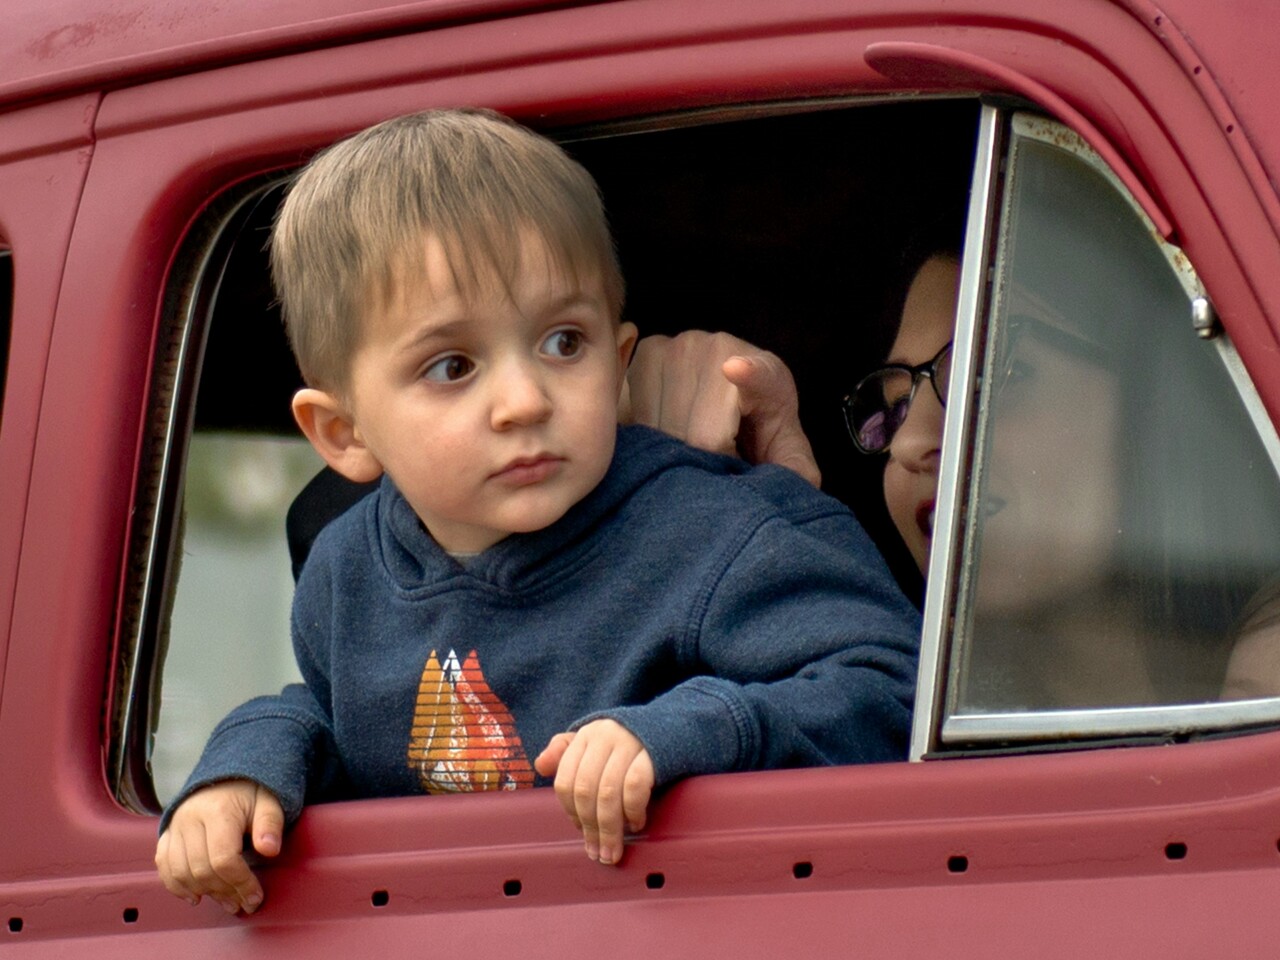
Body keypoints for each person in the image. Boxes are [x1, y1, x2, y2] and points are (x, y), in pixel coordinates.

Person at [155, 108, 921, 915]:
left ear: (618, 363)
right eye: (452, 365)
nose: (525, 400)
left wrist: (689, 731)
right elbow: (341, 716)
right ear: (342, 433)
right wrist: (244, 771)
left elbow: (891, 690)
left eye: (563, 343)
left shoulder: (720, 531)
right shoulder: (344, 576)